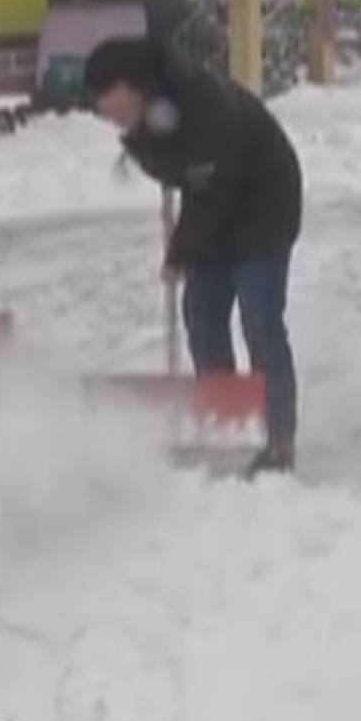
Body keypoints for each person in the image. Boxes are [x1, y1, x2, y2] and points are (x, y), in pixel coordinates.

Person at [82, 37, 303, 478]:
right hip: (213, 202)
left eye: (112, 104)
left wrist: (180, 252)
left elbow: (210, 190)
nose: (108, 116)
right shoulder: (154, 111)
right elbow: (188, 179)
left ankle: (278, 438)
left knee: (259, 316)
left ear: (133, 85)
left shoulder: (204, 106)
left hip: (264, 204)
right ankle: (224, 419)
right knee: (201, 312)